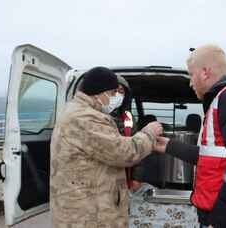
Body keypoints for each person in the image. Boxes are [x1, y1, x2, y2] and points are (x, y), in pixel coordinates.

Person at [154, 44, 226, 228]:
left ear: (204, 72)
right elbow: (215, 157)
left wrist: (218, 222)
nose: (190, 82)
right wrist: (170, 146)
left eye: (191, 75)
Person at [50, 66, 163, 228]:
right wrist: (149, 134)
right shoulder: (86, 117)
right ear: (99, 92)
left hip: (85, 203)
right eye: (112, 94)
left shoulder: (75, 110)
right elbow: (124, 152)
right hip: (86, 213)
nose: (114, 98)